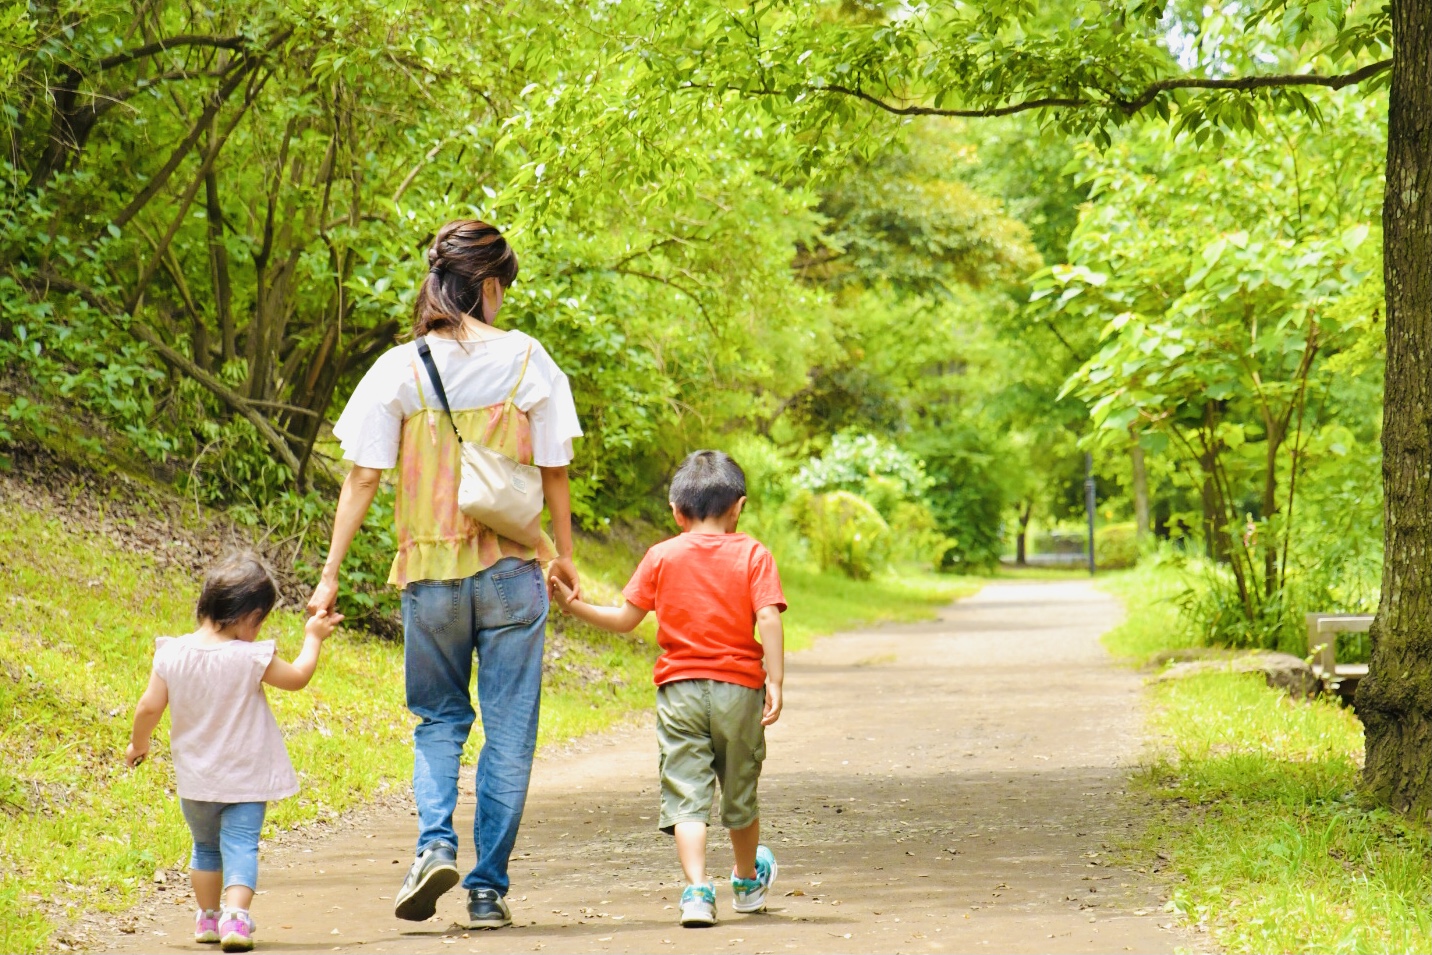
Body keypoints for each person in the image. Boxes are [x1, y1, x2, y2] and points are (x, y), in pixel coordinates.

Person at [307, 220, 582, 930]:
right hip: (512, 571)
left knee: (438, 718)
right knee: (510, 729)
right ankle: (487, 889)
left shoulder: (400, 367)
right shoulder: (527, 359)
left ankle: (434, 844)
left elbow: (363, 475)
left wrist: (330, 573)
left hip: (429, 571)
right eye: (503, 291)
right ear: (489, 285)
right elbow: (555, 467)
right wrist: (566, 554)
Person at [551, 450, 785, 928]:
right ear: (738, 507)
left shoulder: (661, 555)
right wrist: (775, 679)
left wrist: (575, 608)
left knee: (686, 792)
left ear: (677, 512)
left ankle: (697, 892)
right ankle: (744, 881)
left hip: (679, 691)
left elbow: (624, 619)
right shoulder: (754, 554)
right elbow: (766, 616)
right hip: (740, 692)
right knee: (739, 791)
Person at [125, 552, 341, 953]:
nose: (258, 631)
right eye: (259, 622)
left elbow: (148, 707)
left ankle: (208, 918)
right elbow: (297, 678)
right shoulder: (249, 656)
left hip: (195, 782)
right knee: (240, 845)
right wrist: (313, 638)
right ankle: (236, 920)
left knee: (205, 848)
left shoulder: (171, 652)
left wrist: (139, 743)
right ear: (247, 615)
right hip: (244, 780)